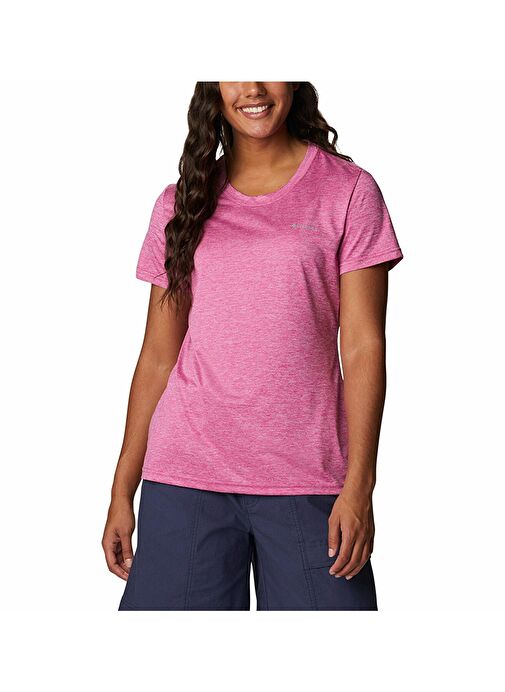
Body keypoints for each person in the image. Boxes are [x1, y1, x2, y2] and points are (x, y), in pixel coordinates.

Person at [102, 81, 404, 610]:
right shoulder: (181, 202)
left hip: (308, 477)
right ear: (213, 89)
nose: (253, 88)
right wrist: (121, 489)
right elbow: (157, 357)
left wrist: (360, 485)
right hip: (186, 474)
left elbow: (362, 347)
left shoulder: (348, 191)